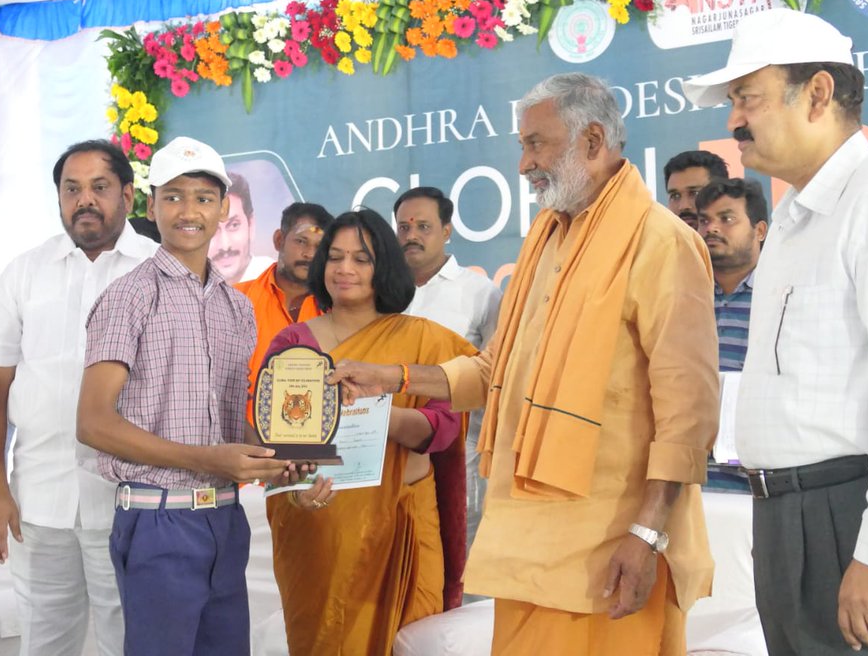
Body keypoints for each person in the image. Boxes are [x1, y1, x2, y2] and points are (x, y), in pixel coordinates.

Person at [332, 73, 719, 655]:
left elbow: (687, 414)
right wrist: (393, 378)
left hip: (611, 546)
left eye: (536, 144)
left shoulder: (661, 242)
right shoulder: (546, 239)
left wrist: (645, 534)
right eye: (522, 146)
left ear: (592, 141)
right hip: (531, 540)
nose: (522, 165)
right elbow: (494, 372)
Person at [684, 8, 868, 655]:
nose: (733, 120)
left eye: (747, 96)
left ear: (820, 94)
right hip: (787, 518)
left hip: (856, 515)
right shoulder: (795, 219)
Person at [76, 136, 301, 656]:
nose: (189, 211)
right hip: (158, 522)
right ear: (150, 206)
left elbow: (229, 428)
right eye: (173, 196)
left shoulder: (236, 308)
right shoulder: (129, 295)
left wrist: (286, 458)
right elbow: (93, 423)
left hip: (224, 519)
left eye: (203, 197)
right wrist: (208, 459)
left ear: (224, 208)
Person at [0, 140, 157, 656]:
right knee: (44, 644)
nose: (85, 200)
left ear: (128, 194)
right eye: (72, 189)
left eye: (99, 187)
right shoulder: (26, 270)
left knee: (130, 644)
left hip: (130, 502)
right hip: (38, 499)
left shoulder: (161, 271)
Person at [264, 208, 477, 654]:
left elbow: (440, 430)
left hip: (403, 526)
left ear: (385, 267)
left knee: (414, 642)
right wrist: (298, 489)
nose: (345, 269)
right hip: (323, 525)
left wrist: (373, 409)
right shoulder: (294, 343)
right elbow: (283, 440)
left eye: (361, 259)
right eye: (335, 257)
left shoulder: (427, 339)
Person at [393, 185, 502, 551]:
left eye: (423, 227)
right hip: (391, 454)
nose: (411, 236)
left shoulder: (479, 292)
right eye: (404, 228)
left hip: (461, 456)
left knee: (461, 567)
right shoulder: (383, 296)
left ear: (446, 231)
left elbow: (496, 375)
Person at [235, 201, 333, 421]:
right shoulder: (235, 300)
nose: (309, 254)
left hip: (320, 447)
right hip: (245, 446)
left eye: (320, 247)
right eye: (301, 241)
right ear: (279, 240)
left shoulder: (337, 310)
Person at [695, 178, 768, 372]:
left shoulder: (778, 293)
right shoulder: (686, 293)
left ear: (759, 231)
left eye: (727, 219)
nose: (711, 228)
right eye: (704, 221)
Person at [208, 171, 273, 284]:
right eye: (212, 230)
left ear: (251, 225)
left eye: (234, 225)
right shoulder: (183, 289)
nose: (225, 245)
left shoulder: (276, 278)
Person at [663, 150, 728, 229]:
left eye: (695, 193)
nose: (684, 206)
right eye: (675, 196)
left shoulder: (741, 240)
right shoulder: (655, 240)